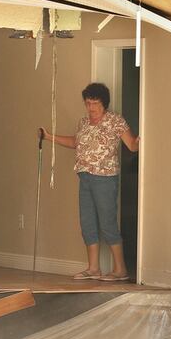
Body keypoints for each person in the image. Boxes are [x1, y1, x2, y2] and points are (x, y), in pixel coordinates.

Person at [39, 83, 140, 281]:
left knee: (107, 222)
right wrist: (48, 136)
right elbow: (75, 143)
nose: (91, 107)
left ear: (104, 103)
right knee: (87, 222)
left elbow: (132, 145)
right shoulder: (83, 123)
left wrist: (142, 139)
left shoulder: (115, 121)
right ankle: (93, 268)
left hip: (105, 179)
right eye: (88, 103)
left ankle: (120, 270)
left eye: (95, 103)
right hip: (84, 177)